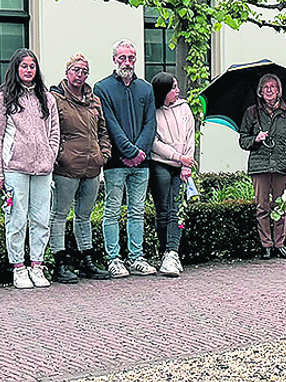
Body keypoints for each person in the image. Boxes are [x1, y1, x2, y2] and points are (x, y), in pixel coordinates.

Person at [0, 49, 60, 289]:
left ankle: (37, 265)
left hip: (42, 168)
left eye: (32, 66)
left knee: (41, 219)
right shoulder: (4, 98)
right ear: (16, 69)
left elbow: (54, 132)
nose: (28, 70)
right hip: (15, 168)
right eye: (24, 66)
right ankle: (18, 268)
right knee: (16, 219)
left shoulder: (47, 98)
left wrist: (50, 156)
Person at [49, 54, 112, 284]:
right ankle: (60, 262)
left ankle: (87, 260)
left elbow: (103, 130)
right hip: (66, 168)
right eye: (76, 70)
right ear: (67, 72)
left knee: (84, 216)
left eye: (84, 71)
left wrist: (103, 155)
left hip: (92, 167)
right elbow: (51, 131)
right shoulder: (55, 99)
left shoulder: (94, 100)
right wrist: (60, 157)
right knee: (59, 215)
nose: (80, 75)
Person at [95, 40, 156, 277]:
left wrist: (140, 151)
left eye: (131, 57)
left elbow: (150, 123)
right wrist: (129, 152)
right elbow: (110, 125)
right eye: (122, 58)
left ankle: (136, 257)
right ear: (114, 60)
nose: (127, 62)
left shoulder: (146, 88)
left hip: (142, 163)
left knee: (137, 211)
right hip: (115, 163)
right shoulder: (102, 88)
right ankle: (113, 258)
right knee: (111, 211)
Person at [242, 71, 286, 257]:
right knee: (262, 207)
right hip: (259, 166)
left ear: (279, 91)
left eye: (273, 87)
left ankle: (279, 244)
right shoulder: (251, 113)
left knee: (281, 207)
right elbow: (243, 141)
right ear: (260, 91)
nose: (269, 91)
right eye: (265, 88)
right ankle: (266, 245)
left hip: (281, 166)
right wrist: (256, 138)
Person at [148, 71, 195, 277]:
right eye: (173, 88)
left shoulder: (184, 108)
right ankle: (165, 252)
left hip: (182, 165)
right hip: (161, 164)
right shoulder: (153, 111)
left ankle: (172, 252)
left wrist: (187, 162)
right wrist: (177, 156)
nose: (177, 91)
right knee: (164, 210)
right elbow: (154, 142)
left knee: (177, 210)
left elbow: (190, 135)